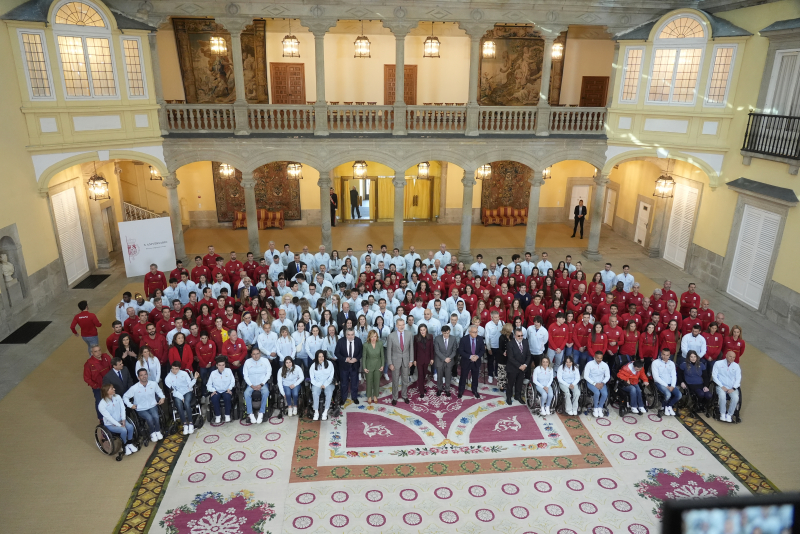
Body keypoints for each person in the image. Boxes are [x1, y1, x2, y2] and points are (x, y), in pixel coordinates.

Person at [123, 368, 166, 442]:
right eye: (141, 375)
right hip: (141, 408)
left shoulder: (153, 384)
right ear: (138, 377)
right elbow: (125, 397)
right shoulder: (134, 388)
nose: (144, 376)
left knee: (156, 416)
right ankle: (152, 433)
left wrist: (162, 398)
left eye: (145, 374)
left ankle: (158, 431)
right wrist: (130, 405)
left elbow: (159, 392)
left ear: (147, 375)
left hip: (152, 405)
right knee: (149, 418)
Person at [98, 383, 138, 456]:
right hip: (110, 424)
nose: (114, 389)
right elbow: (108, 417)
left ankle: (129, 443)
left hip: (121, 420)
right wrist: (119, 425)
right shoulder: (102, 405)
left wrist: (123, 419)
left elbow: (123, 408)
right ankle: (124, 446)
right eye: (112, 388)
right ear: (107, 391)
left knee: (130, 427)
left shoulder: (118, 397)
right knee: (123, 430)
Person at [164, 361, 199, 435]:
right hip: (177, 394)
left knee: (186, 403)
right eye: (173, 368)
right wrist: (181, 397)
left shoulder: (184, 373)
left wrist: (195, 378)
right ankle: (185, 424)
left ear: (179, 368)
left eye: (176, 369)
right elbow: (172, 391)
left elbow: (190, 385)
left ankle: (191, 423)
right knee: (179, 405)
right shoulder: (168, 378)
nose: (174, 371)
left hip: (187, 392)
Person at [386, 318, 414, 405]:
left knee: (405, 379)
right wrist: (390, 363)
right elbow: (389, 351)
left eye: (403, 324)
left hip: (406, 360)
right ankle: (395, 397)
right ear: (396, 325)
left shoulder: (409, 334)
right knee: (395, 380)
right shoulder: (391, 336)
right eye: (400, 325)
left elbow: (411, 348)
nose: (402, 326)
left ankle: (404, 395)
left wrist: (411, 360)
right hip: (395, 361)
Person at [84, 345, 112, 423]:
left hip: (109, 385)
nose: (98, 352)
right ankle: (101, 418)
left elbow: (112, 367)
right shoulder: (89, 364)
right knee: (99, 402)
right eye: (95, 351)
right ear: (92, 353)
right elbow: (86, 378)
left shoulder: (106, 357)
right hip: (98, 387)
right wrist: (95, 386)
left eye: (99, 350)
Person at [243, 348, 272, 424]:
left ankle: (261, 412)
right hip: (251, 384)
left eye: (257, 354)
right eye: (254, 354)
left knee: (266, 392)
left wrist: (261, 384)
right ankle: (250, 413)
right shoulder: (247, 362)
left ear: (260, 354)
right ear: (251, 355)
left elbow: (268, 373)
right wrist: (251, 385)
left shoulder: (265, 361)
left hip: (262, 384)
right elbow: (245, 376)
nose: (256, 356)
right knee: (246, 393)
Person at [334, 328, 363, 405]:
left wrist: (356, 359)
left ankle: (354, 397)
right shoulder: (341, 341)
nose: (350, 336)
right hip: (344, 366)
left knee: (354, 383)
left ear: (354, 334)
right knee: (344, 383)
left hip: (355, 365)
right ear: (346, 335)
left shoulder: (358, 341)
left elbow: (361, 352)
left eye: (352, 334)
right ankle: (343, 398)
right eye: (348, 335)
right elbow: (336, 353)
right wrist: (345, 359)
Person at [712, 351, 741, 423]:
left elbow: (738, 378)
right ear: (726, 356)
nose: (732, 358)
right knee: (722, 396)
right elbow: (714, 376)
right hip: (721, 385)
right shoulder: (718, 363)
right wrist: (722, 386)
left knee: (736, 398)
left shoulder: (736, 366)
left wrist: (733, 388)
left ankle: (729, 414)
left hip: (732, 387)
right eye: (730, 356)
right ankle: (722, 413)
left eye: (734, 357)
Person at [651, 348, 682, 416]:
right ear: (661, 354)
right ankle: (664, 407)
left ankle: (668, 406)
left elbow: (674, 375)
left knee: (679, 395)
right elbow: (656, 377)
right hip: (660, 383)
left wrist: (673, 385)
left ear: (669, 355)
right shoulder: (655, 363)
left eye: (667, 355)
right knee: (668, 394)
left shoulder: (672, 363)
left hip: (670, 383)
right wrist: (666, 386)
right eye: (663, 354)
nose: (665, 357)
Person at [458, 325, 485, 399]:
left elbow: (482, 350)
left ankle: (474, 390)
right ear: (469, 332)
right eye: (474, 332)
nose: (476, 334)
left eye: (476, 332)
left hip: (476, 361)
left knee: (475, 377)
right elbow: (461, 351)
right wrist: (470, 356)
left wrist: (477, 356)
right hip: (466, 361)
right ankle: (461, 390)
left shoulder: (480, 339)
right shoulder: (464, 339)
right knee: (463, 376)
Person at [207, 356, 234, 423]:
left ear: (225, 365)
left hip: (226, 390)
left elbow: (233, 381)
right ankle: (218, 416)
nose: (221, 367)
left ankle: (227, 415)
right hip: (216, 390)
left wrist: (229, 388)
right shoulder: (213, 373)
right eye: (220, 365)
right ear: (216, 365)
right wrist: (213, 390)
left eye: (223, 365)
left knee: (227, 397)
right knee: (214, 398)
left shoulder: (229, 371)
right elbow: (208, 385)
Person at [506, 327, 530, 405]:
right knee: (510, 383)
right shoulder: (510, 344)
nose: (520, 337)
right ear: (514, 336)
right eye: (519, 336)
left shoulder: (526, 342)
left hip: (522, 368)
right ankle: (508, 397)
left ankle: (518, 396)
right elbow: (510, 358)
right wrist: (520, 366)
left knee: (519, 383)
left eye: (522, 335)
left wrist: (525, 365)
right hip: (513, 368)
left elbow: (528, 355)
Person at [584, 351, 610, 417]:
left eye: (601, 358)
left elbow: (607, 376)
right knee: (597, 393)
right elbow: (586, 376)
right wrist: (594, 384)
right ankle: (595, 408)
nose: (599, 360)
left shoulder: (605, 365)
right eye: (598, 358)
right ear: (594, 357)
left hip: (601, 383)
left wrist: (603, 383)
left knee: (605, 394)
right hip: (591, 383)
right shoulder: (589, 364)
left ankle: (600, 407)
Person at [434, 325, 457, 397]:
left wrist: (449, 358)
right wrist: (444, 358)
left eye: (448, 333)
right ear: (442, 332)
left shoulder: (453, 338)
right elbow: (437, 351)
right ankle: (439, 389)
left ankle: (447, 389)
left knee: (448, 375)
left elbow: (454, 350)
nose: (446, 335)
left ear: (449, 332)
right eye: (445, 333)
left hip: (449, 360)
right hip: (440, 360)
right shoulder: (437, 339)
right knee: (439, 376)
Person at [310, 350, 334, 420]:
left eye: (322, 356)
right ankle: (316, 412)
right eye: (319, 357)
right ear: (317, 358)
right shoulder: (313, 365)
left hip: (328, 383)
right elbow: (312, 378)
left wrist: (325, 384)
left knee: (329, 393)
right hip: (317, 383)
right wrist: (319, 384)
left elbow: (331, 376)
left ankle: (325, 412)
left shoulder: (329, 364)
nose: (321, 358)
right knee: (315, 393)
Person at [362, 330, 384, 403]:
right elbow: (364, 357)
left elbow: (382, 356)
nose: (374, 338)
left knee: (377, 382)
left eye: (375, 336)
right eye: (372, 337)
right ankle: (369, 396)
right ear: (369, 337)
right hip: (369, 365)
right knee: (369, 382)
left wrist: (382, 365)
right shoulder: (365, 345)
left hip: (378, 365)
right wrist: (364, 367)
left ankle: (375, 395)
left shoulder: (380, 344)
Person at [413, 324, 434, 399]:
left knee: (424, 374)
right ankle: (421, 391)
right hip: (419, 359)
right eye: (421, 330)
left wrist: (432, 358)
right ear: (419, 330)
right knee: (420, 375)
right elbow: (414, 349)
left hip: (427, 359)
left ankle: (421, 387)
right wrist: (414, 360)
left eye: (424, 330)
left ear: (426, 330)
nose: (422, 331)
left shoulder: (430, 336)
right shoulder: (416, 337)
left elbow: (431, 348)